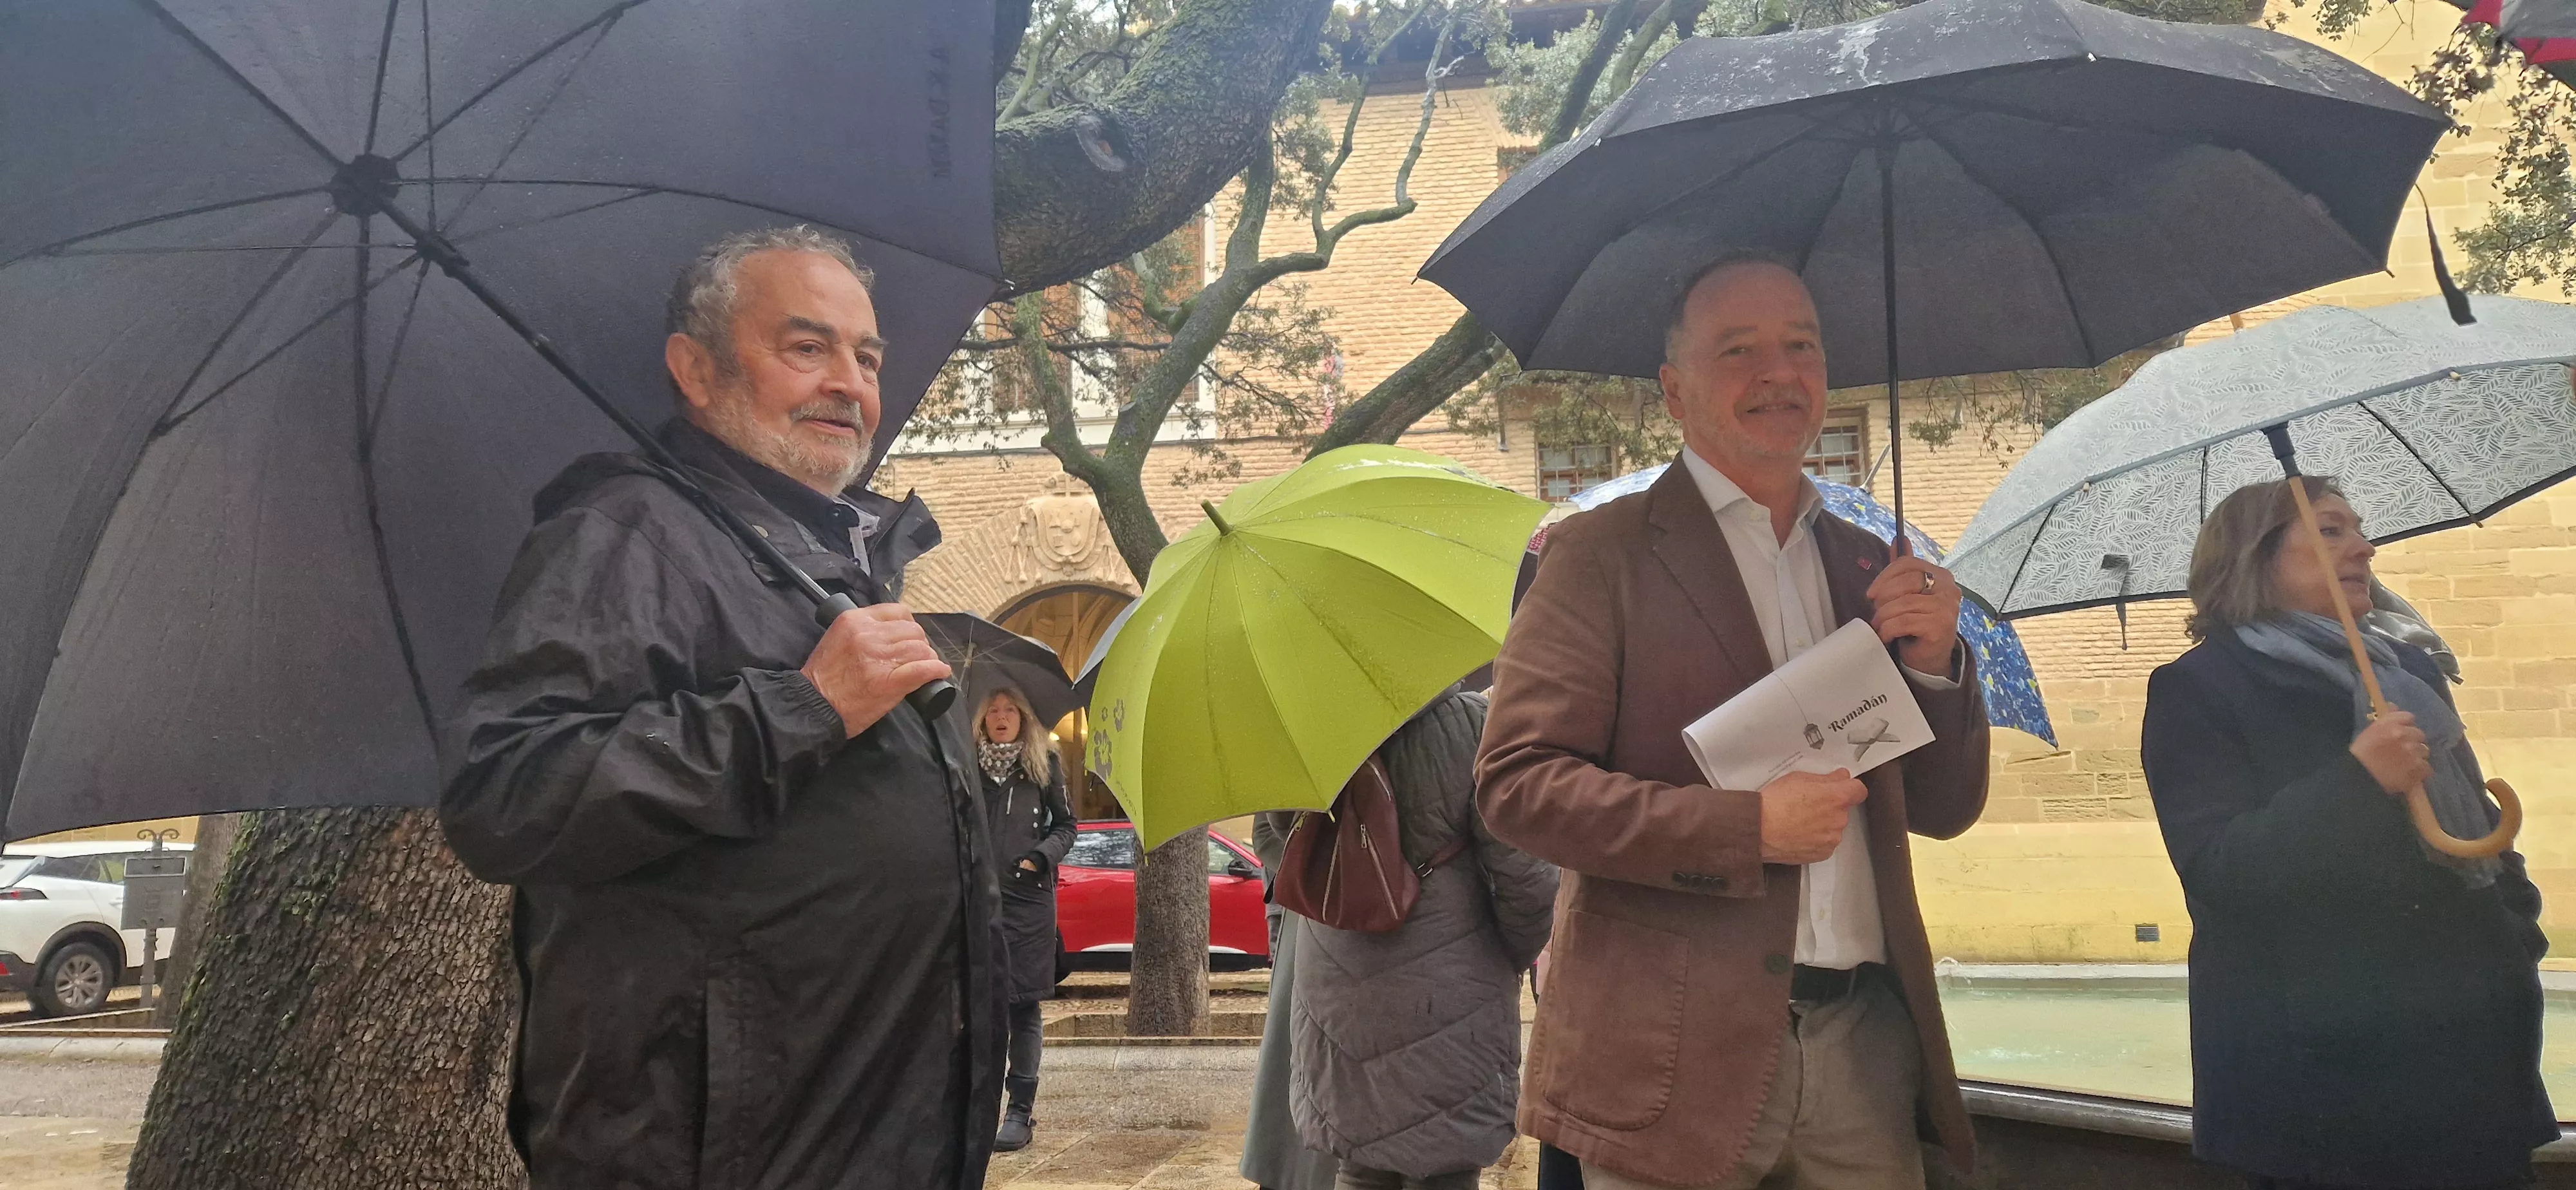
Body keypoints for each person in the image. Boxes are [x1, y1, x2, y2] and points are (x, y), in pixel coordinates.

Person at [439, 227, 1003, 1189]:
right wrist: (805, 707)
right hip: (713, 1157)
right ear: (694, 372)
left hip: (872, 1137)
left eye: (866, 357)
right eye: (806, 347)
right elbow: (505, 796)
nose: (850, 383)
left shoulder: (828, 553)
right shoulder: (623, 536)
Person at [1477, 250, 1991, 1190]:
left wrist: (1935, 669)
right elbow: (1518, 785)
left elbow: (1944, 808)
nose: (1779, 372)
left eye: (1801, 344)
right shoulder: (1601, 555)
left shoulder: (1870, 569)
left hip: (1864, 1052)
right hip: (1669, 1061)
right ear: (1674, 392)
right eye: (1739, 350)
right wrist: (1747, 830)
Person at [2140, 477, 2553, 1190]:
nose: (2363, 546)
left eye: (2357, 530)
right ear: (2253, 556)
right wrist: (2358, 780)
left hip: (2473, 1064)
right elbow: (2217, 871)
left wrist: (2514, 941)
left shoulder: (2408, 671)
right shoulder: (2200, 687)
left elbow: (2476, 826)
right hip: (2325, 1091)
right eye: (2329, 530)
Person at [1291, 688, 1559, 1190]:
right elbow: (1529, 879)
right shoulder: (1472, 726)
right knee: (1445, 1164)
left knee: (1359, 1163)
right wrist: (1506, 955)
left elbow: (1277, 843)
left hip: (1332, 973)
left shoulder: (1306, 728)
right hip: (1450, 983)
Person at [971, 686, 1076, 1153]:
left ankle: (1020, 1111)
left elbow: (1066, 826)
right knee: (978, 1006)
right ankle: (977, 1108)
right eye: (992, 710)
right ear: (981, 719)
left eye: (1009, 709)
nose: (1000, 716)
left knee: (1023, 1007)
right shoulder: (964, 765)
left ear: (1023, 717)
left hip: (1029, 903)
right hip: (977, 900)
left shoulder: (1043, 765)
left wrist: (1040, 857)